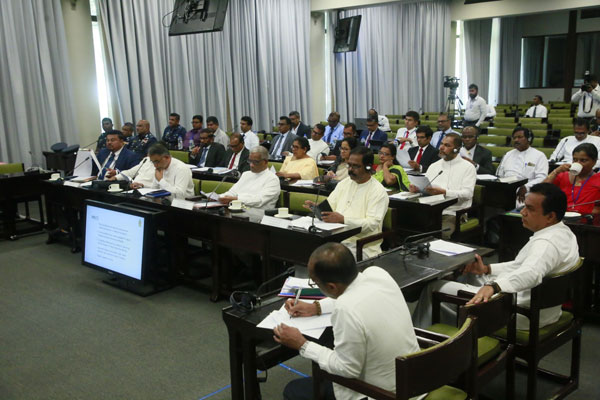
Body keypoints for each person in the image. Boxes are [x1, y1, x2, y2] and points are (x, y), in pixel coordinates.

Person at [413, 183, 579, 331]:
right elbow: (521, 265)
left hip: (522, 313)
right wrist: (487, 269)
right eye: (524, 206)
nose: (523, 212)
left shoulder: (545, 244)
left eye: (530, 209)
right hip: (544, 309)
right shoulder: (564, 232)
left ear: (550, 216)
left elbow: (531, 273)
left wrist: (494, 286)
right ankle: (457, 329)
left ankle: (422, 342)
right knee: (470, 274)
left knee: (434, 287)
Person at [275, 243, 419, 400]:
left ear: (331, 287)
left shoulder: (345, 309)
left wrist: (302, 345)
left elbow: (347, 369)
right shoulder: (377, 274)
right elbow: (357, 295)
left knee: (293, 390)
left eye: (315, 282)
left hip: (384, 394)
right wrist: (315, 307)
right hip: (414, 381)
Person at [304, 147, 389, 258]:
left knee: (325, 258)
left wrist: (343, 220)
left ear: (368, 167)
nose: (350, 170)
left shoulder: (378, 191)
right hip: (335, 239)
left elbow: (371, 224)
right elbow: (331, 207)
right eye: (349, 165)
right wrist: (319, 209)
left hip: (361, 246)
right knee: (306, 248)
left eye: (356, 166)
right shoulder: (344, 183)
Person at [410, 133, 477, 239]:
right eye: (441, 144)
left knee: (440, 234)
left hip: (453, 213)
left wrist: (445, 192)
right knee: (410, 228)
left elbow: (468, 194)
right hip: (431, 210)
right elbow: (427, 187)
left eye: (447, 145)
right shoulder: (434, 166)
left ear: (456, 149)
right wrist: (418, 189)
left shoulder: (468, 167)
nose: (441, 147)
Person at [113, 144, 194, 198]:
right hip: (164, 201)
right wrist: (143, 186)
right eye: (152, 162)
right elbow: (154, 189)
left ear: (167, 157)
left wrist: (161, 180)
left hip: (182, 205)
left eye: (156, 161)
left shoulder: (181, 169)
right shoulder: (160, 167)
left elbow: (179, 194)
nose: (155, 165)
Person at [544, 143, 600, 215]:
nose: (578, 163)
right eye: (575, 160)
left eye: (583, 160)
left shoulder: (598, 179)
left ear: (594, 161)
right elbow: (540, 191)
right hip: (562, 217)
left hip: (588, 219)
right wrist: (555, 172)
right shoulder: (563, 175)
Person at [497, 127, 549, 204]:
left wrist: (526, 187)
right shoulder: (508, 154)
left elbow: (542, 178)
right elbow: (499, 174)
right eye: (514, 138)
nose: (516, 140)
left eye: (519, 137)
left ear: (529, 139)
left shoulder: (539, 156)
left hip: (527, 191)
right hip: (506, 189)